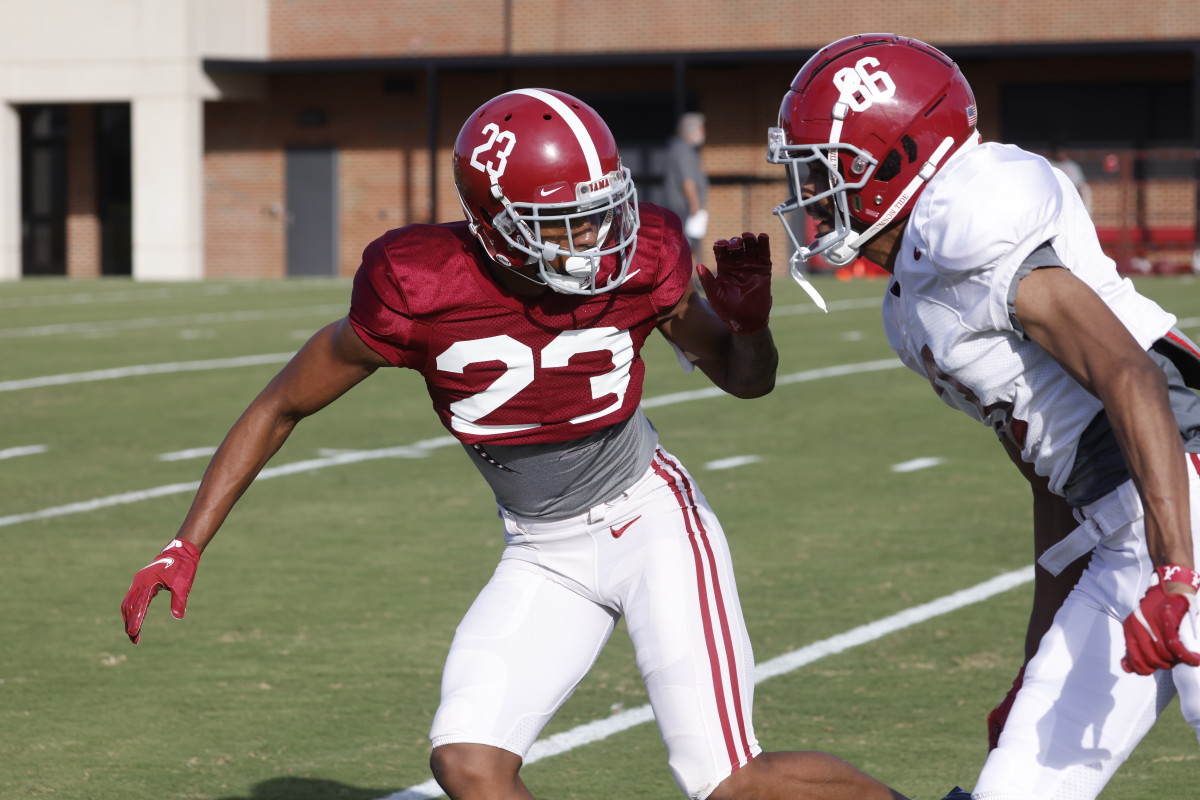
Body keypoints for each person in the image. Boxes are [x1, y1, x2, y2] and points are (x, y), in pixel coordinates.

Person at [121, 88, 943, 800]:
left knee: (725, 777)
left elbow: (745, 379)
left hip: (650, 522)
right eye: (564, 224)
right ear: (491, 225)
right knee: (468, 763)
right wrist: (185, 543)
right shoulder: (417, 286)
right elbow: (280, 405)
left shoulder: (644, 255)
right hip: (542, 550)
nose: (595, 242)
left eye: (600, 212)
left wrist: (751, 328)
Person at [767, 33, 1200, 800]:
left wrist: (1178, 572)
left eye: (828, 169)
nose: (811, 190)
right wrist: (1037, 658)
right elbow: (1050, 485)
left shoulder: (969, 227)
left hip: (1182, 498)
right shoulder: (913, 305)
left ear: (897, 159)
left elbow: (1128, 372)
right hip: (1121, 532)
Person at [663, 111, 710, 262]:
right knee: (687, 245)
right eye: (701, 129)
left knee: (691, 244)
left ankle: (693, 280)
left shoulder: (683, 149)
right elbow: (687, 180)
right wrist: (695, 204)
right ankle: (690, 281)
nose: (704, 133)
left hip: (685, 208)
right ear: (692, 130)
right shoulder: (683, 150)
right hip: (684, 208)